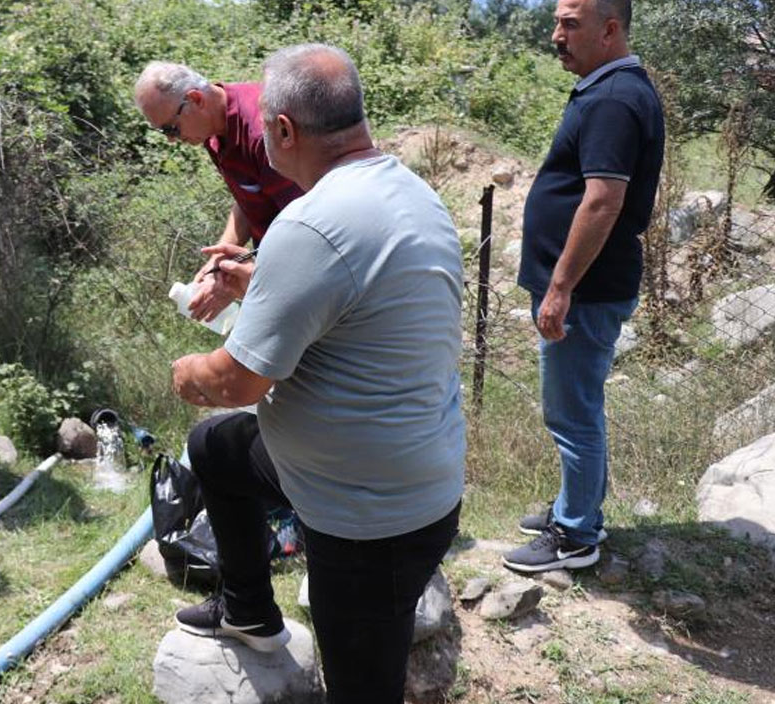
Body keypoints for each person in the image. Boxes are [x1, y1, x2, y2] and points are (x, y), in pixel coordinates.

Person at [169, 44, 466, 703]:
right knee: (216, 449)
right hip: (405, 471)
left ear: (283, 132)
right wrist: (259, 284)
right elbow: (351, 306)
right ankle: (248, 608)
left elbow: (237, 381)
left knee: (362, 689)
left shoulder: (312, 222)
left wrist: (190, 371)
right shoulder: (409, 193)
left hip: (370, 517)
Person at [502, 0, 664, 573]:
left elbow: (602, 200)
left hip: (587, 290)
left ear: (609, 29)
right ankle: (578, 508)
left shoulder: (616, 99)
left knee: (572, 414)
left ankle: (575, 535)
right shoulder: (608, 90)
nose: (556, 36)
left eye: (570, 24)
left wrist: (561, 286)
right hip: (586, 286)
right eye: (556, 22)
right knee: (575, 408)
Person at [133, 62, 303, 324]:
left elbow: (306, 229)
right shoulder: (215, 133)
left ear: (195, 99)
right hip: (280, 270)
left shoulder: (262, 134)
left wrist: (245, 281)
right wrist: (220, 259)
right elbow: (250, 199)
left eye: (171, 128)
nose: (170, 140)